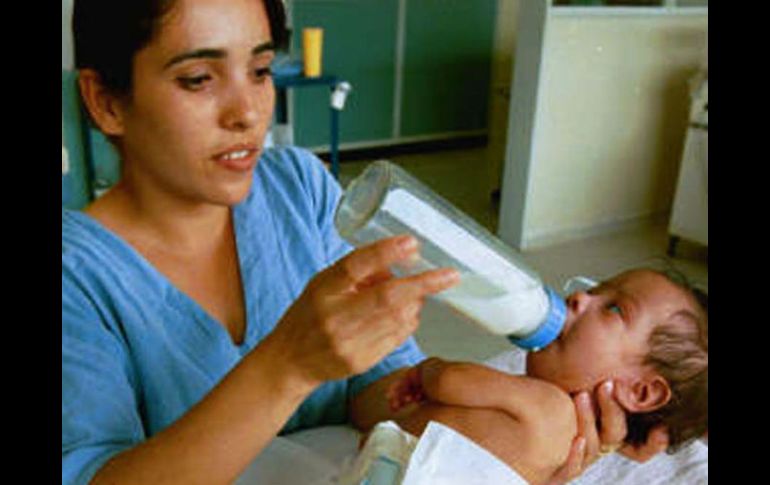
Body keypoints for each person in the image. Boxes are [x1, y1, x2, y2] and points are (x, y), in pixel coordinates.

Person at [62, 0, 667, 483]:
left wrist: (525, 440)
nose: (247, 112)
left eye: (262, 71)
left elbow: (379, 394)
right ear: (106, 101)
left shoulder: (297, 189)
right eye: (198, 79)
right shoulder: (77, 276)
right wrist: (286, 366)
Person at [378, 269, 708, 484]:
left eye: (614, 308)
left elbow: (449, 381)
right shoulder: (567, 450)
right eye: (595, 289)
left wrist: (429, 369)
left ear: (641, 393)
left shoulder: (548, 404)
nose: (580, 297)